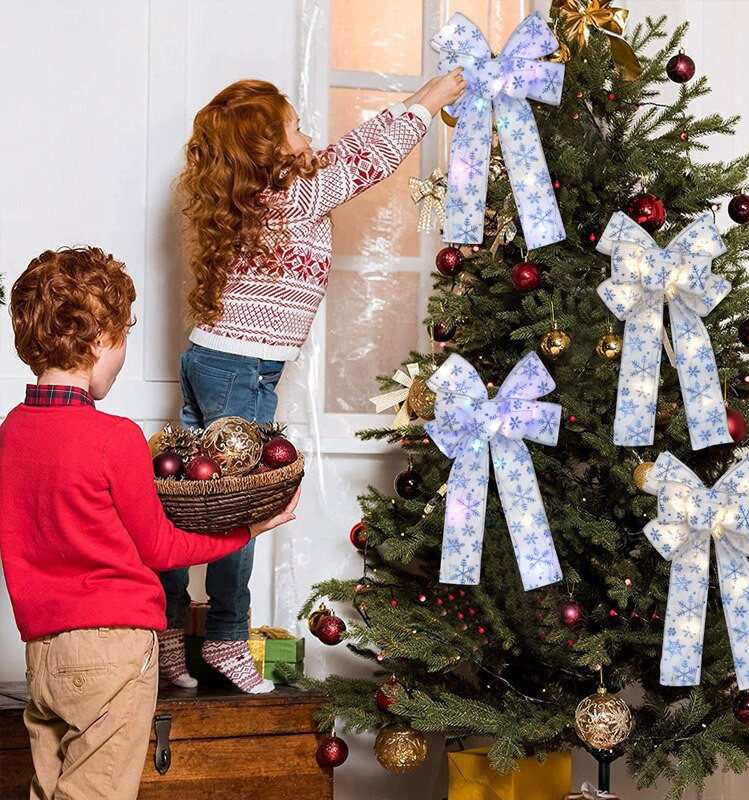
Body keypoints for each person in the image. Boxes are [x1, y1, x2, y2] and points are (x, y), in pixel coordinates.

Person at [159, 69, 466, 690]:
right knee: (237, 510)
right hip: (241, 371)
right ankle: (222, 637)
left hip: (209, 359)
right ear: (268, 150)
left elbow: (353, 148)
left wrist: (415, 101)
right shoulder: (297, 197)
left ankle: (166, 637)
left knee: (184, 506)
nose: (308, 134)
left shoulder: (263, 193)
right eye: (294, 127)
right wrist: (431, 101)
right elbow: (365, 160)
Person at [0, 247, 300, 800]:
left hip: (41, 655)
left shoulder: (11, 433)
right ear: (97, 343)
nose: (120, 356)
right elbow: (160, 548)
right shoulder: (115, 439)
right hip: (112, 652)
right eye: (121, 340)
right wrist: (248, 531)